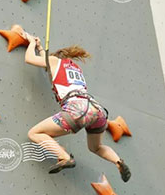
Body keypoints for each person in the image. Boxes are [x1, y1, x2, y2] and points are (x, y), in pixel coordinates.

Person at [22, 34, 131, 182]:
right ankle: (118, 162)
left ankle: (64, 157)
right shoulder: (76, 70)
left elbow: (30, 59)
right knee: (96, 147)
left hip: (77, 109)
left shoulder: (55, 62)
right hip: (96, 110)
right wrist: (40, 48)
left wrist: (30, 43)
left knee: (34, 133)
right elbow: (49, 67)